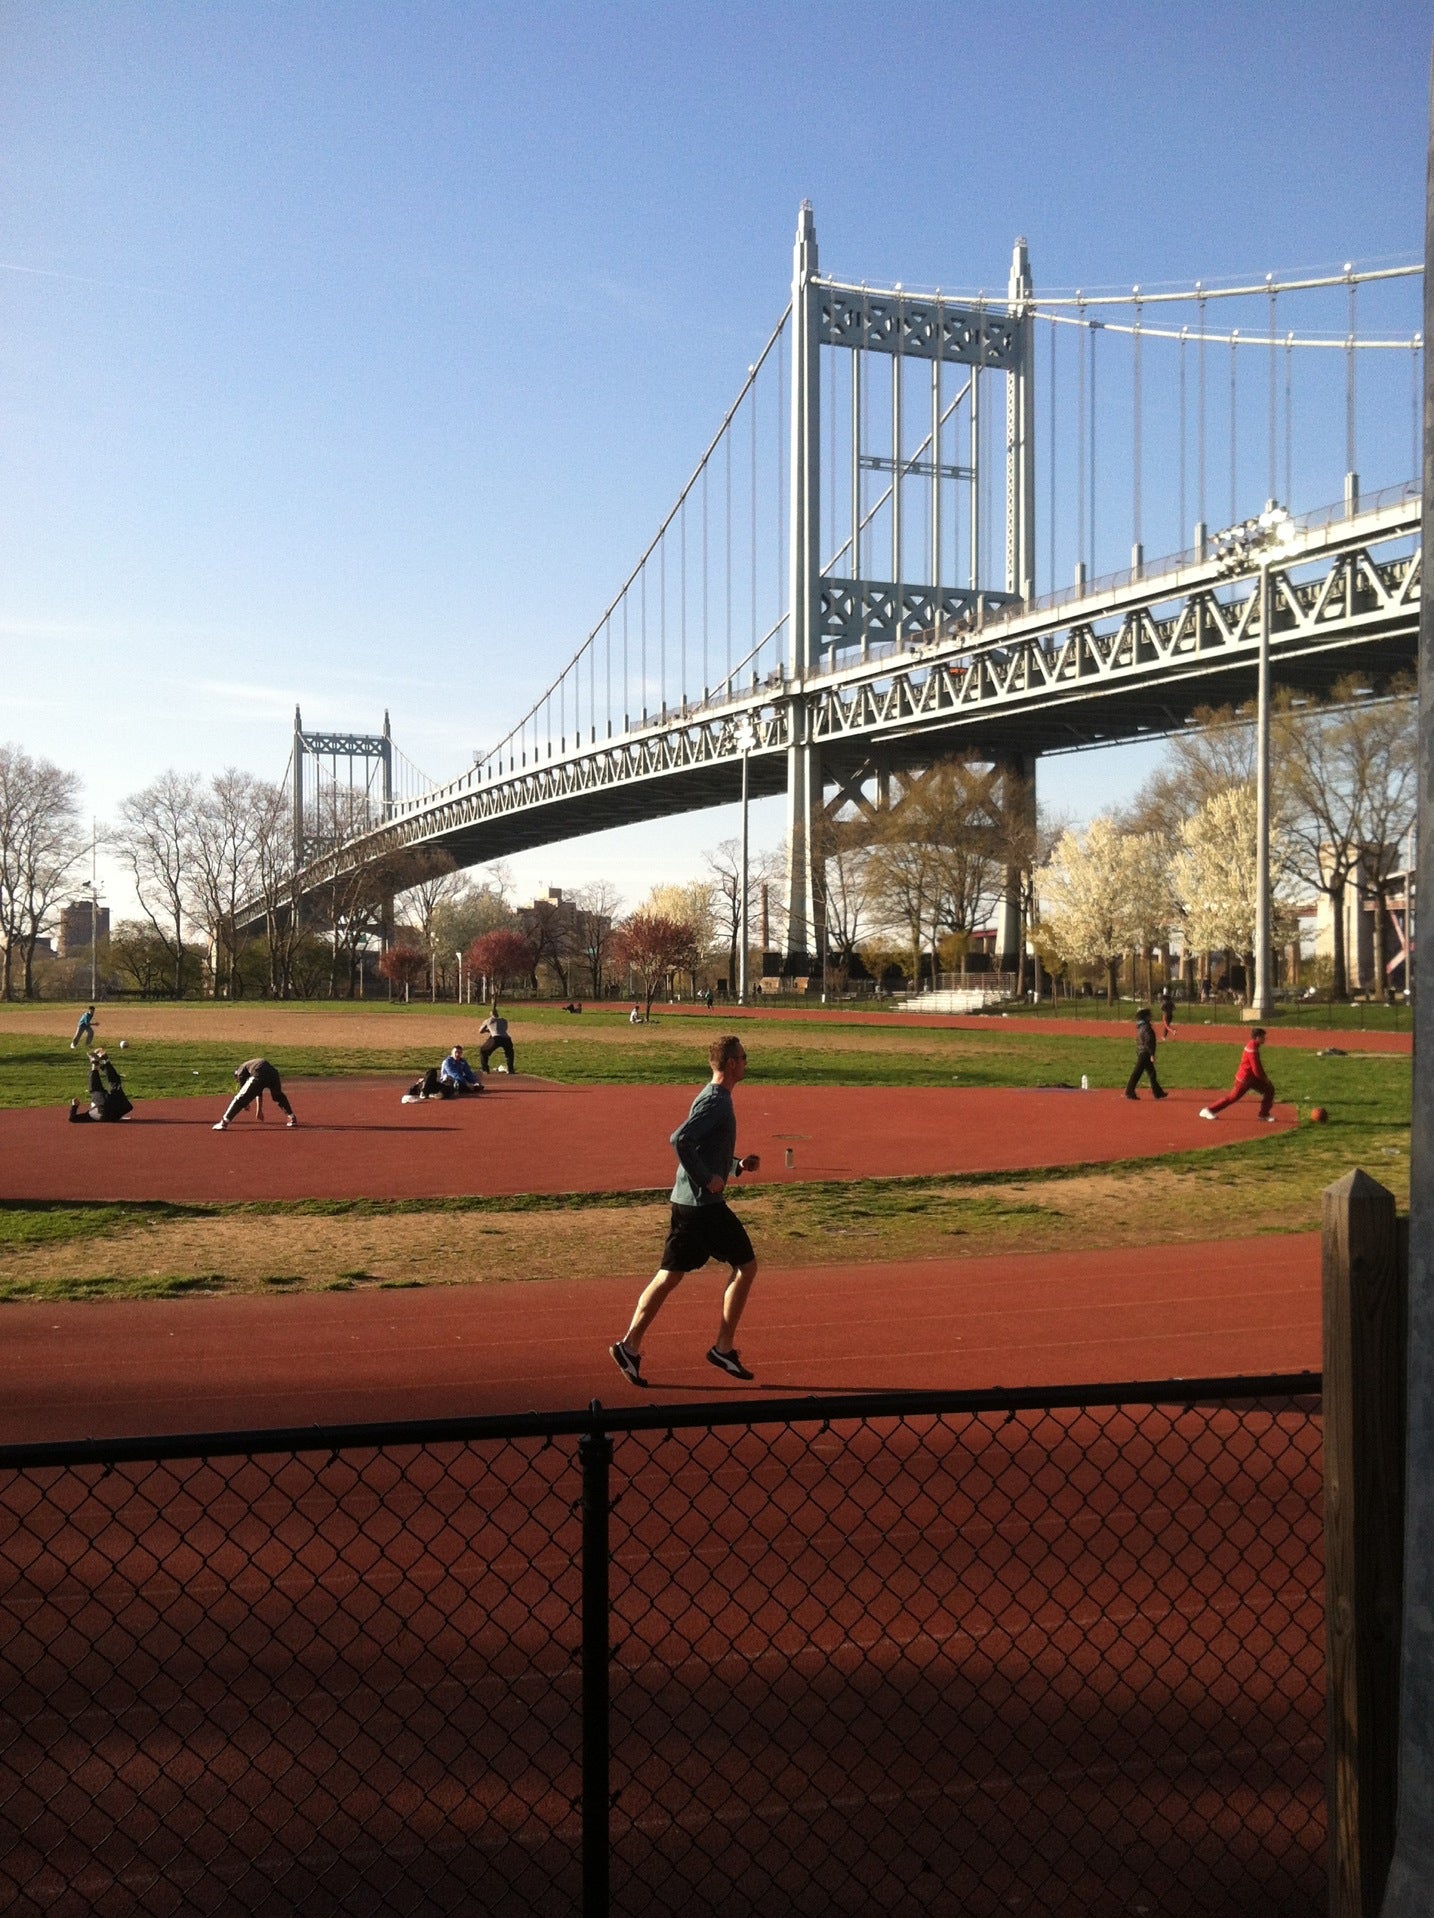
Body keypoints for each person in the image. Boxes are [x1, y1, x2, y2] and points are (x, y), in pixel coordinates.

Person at [610, 1034, 762, 1387]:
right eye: (743, 1056)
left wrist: (736, 1166)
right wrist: (707, 1177)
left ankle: (629, 1347)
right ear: (731, 1064)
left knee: (669, 1276)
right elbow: (680, 1140)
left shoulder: (716, 1098)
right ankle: (723, 1347)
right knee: (747, 1267)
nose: (746, 1062)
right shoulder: (717, 1102)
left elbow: (704, 1147)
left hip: (688, 1203)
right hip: (702, 1207)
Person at [1200, 1028, 1278, 1122]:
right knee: (1232, 1098)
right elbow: (1256, 1068)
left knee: (1269, 1090)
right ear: (1257, 1037)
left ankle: (1263, 1114)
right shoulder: (1252, 1049)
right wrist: (1264, 1079)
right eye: (1263, 1037)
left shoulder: (1253, 1045)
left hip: (1251, 1078)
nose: (1265, 1039)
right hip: (1244, 1079)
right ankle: (1208, 1110)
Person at [214, 1058, 296, 1130]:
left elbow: (243, 1093)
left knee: (239, 1098)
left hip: (259, 1071)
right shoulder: (248, 1067)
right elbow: (258, 1091)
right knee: (278, 1096)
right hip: (273, 1073)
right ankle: (291, 1117)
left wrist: (246, 1104)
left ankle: (224, 1122)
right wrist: (259, 1110)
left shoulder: (240, 1072)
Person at [69, 1049, 132, 1122]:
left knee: (115, 1084)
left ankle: (104, 1061)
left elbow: (72, 1118)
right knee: (96, 1089)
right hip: (108, 1108)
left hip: (117, 1110)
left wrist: (74, 1106)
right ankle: (98, 1063)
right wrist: (74, 1106)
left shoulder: (90, 1116)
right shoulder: (90, 1115)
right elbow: (72, 1118)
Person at [1124, 1009, 1167, 1101]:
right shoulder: (1147, 1028)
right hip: (1145, 1053)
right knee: (1137, 1073)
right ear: (1145, 1017)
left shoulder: (1141, 1027)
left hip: (1142, 1052)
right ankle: (1129, 1092)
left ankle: (1158, 1092)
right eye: (1149, 1016)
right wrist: (1152, 1054)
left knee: (1152, 1073)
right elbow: (1149, 1042)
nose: (1150, 1017)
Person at [478, 1004, 515, 1074]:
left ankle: (485, 1069)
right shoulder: (504, 1020)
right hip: (507, 1038)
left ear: (491, 1014)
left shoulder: (488, 1020)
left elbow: (480, 1031)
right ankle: (511, 1069)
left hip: (496, 1038)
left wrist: (488, 1030)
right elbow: (503, 1029)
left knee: (483, 1050)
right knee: (509, 1053)